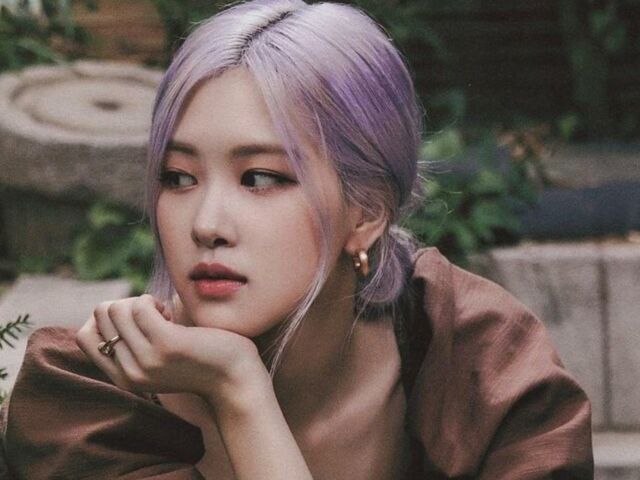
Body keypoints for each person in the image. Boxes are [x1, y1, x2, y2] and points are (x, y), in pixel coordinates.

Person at [0, 0, 593, 478]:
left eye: (260, 178)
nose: (206, 223)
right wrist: (237, 387)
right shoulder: (84, 400)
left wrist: (239, 393)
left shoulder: (481, 368)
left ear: (366, 211)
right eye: (178, 177)